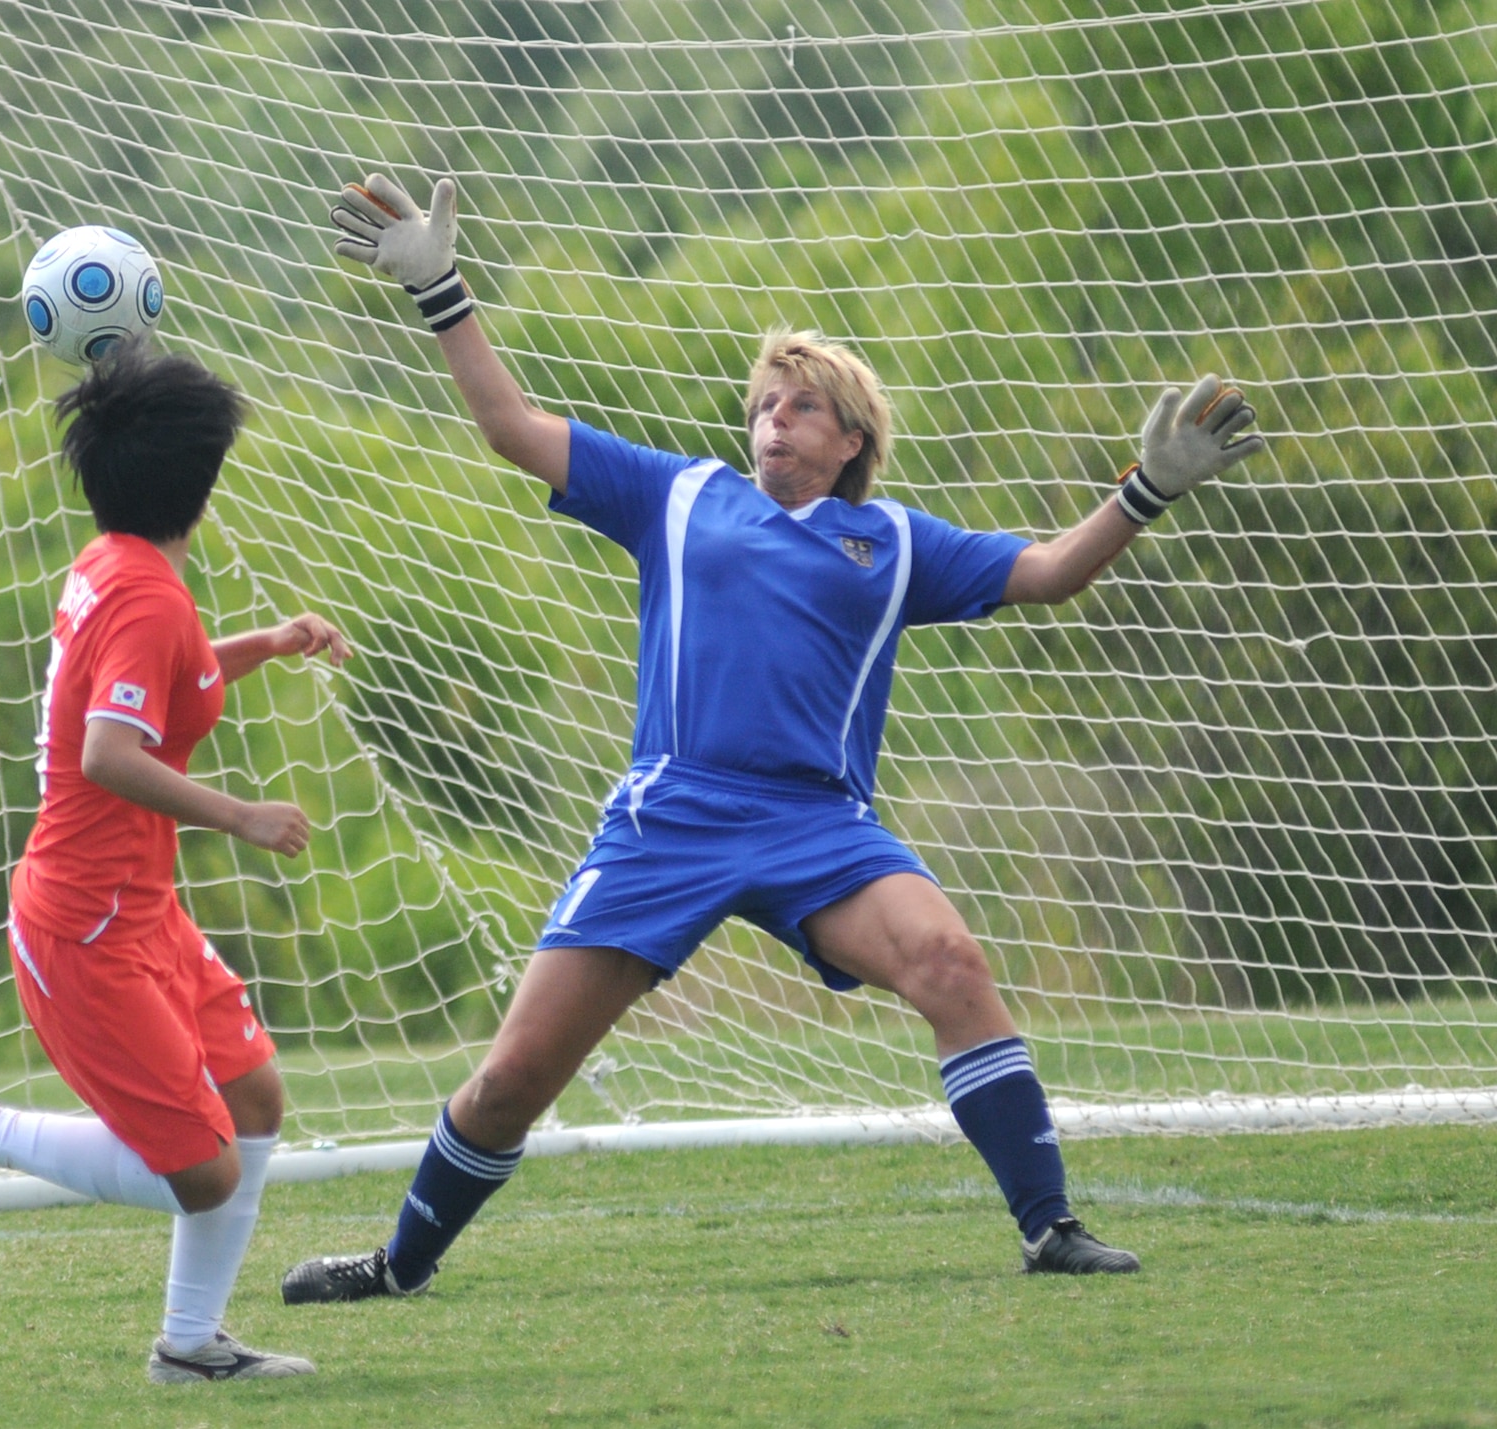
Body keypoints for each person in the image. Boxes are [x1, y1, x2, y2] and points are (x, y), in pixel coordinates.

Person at [279, 173, 1266, 1307]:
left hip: (816, 828)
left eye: (796, 406)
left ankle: (1049, 1229)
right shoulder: (679, 494)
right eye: (759, 404)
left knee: (949, 964)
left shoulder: (892, 541)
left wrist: (1145, 490)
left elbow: (1047, 572)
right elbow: (509, 426)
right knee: (511, 1080)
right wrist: (438, 290)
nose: (770, 420)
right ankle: (398, 1265)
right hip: (671, 817)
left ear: (849, 437)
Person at [0, 342, 350, 1384]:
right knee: (201, 1171)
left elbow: (167, 675)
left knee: (253, 1103)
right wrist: (239, 814)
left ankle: (190, 1346)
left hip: (139, 909)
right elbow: (110, 752)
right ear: (202, 480)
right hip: (84, 925)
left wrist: (264, 643)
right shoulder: (149, 594)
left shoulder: (118, 564)